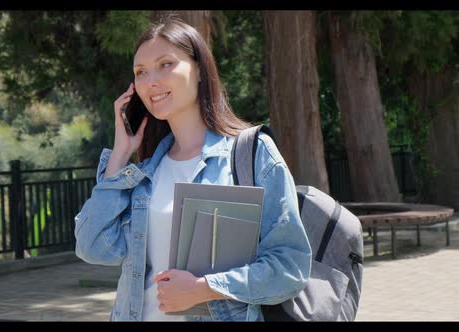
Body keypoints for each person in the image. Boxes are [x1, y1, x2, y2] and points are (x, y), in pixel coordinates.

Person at [74, 18, 311, 322]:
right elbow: (92, 247)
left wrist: (205, 288)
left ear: (199, 69)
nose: (152, 81)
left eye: (165, 64)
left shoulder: (250, 155)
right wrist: (120, 155)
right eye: (141, 72)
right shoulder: (145, 173)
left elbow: (290, 266)